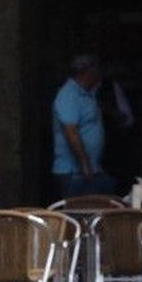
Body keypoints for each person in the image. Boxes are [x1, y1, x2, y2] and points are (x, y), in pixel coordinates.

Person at [52, 54, 116, 198]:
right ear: (88, 72)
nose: (100, 73)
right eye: (97, 69)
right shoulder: (68, 95)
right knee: (80, 214)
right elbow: (71, 131)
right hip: (75, 173)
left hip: (91, 170)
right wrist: (85, 163)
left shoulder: (88, 93)